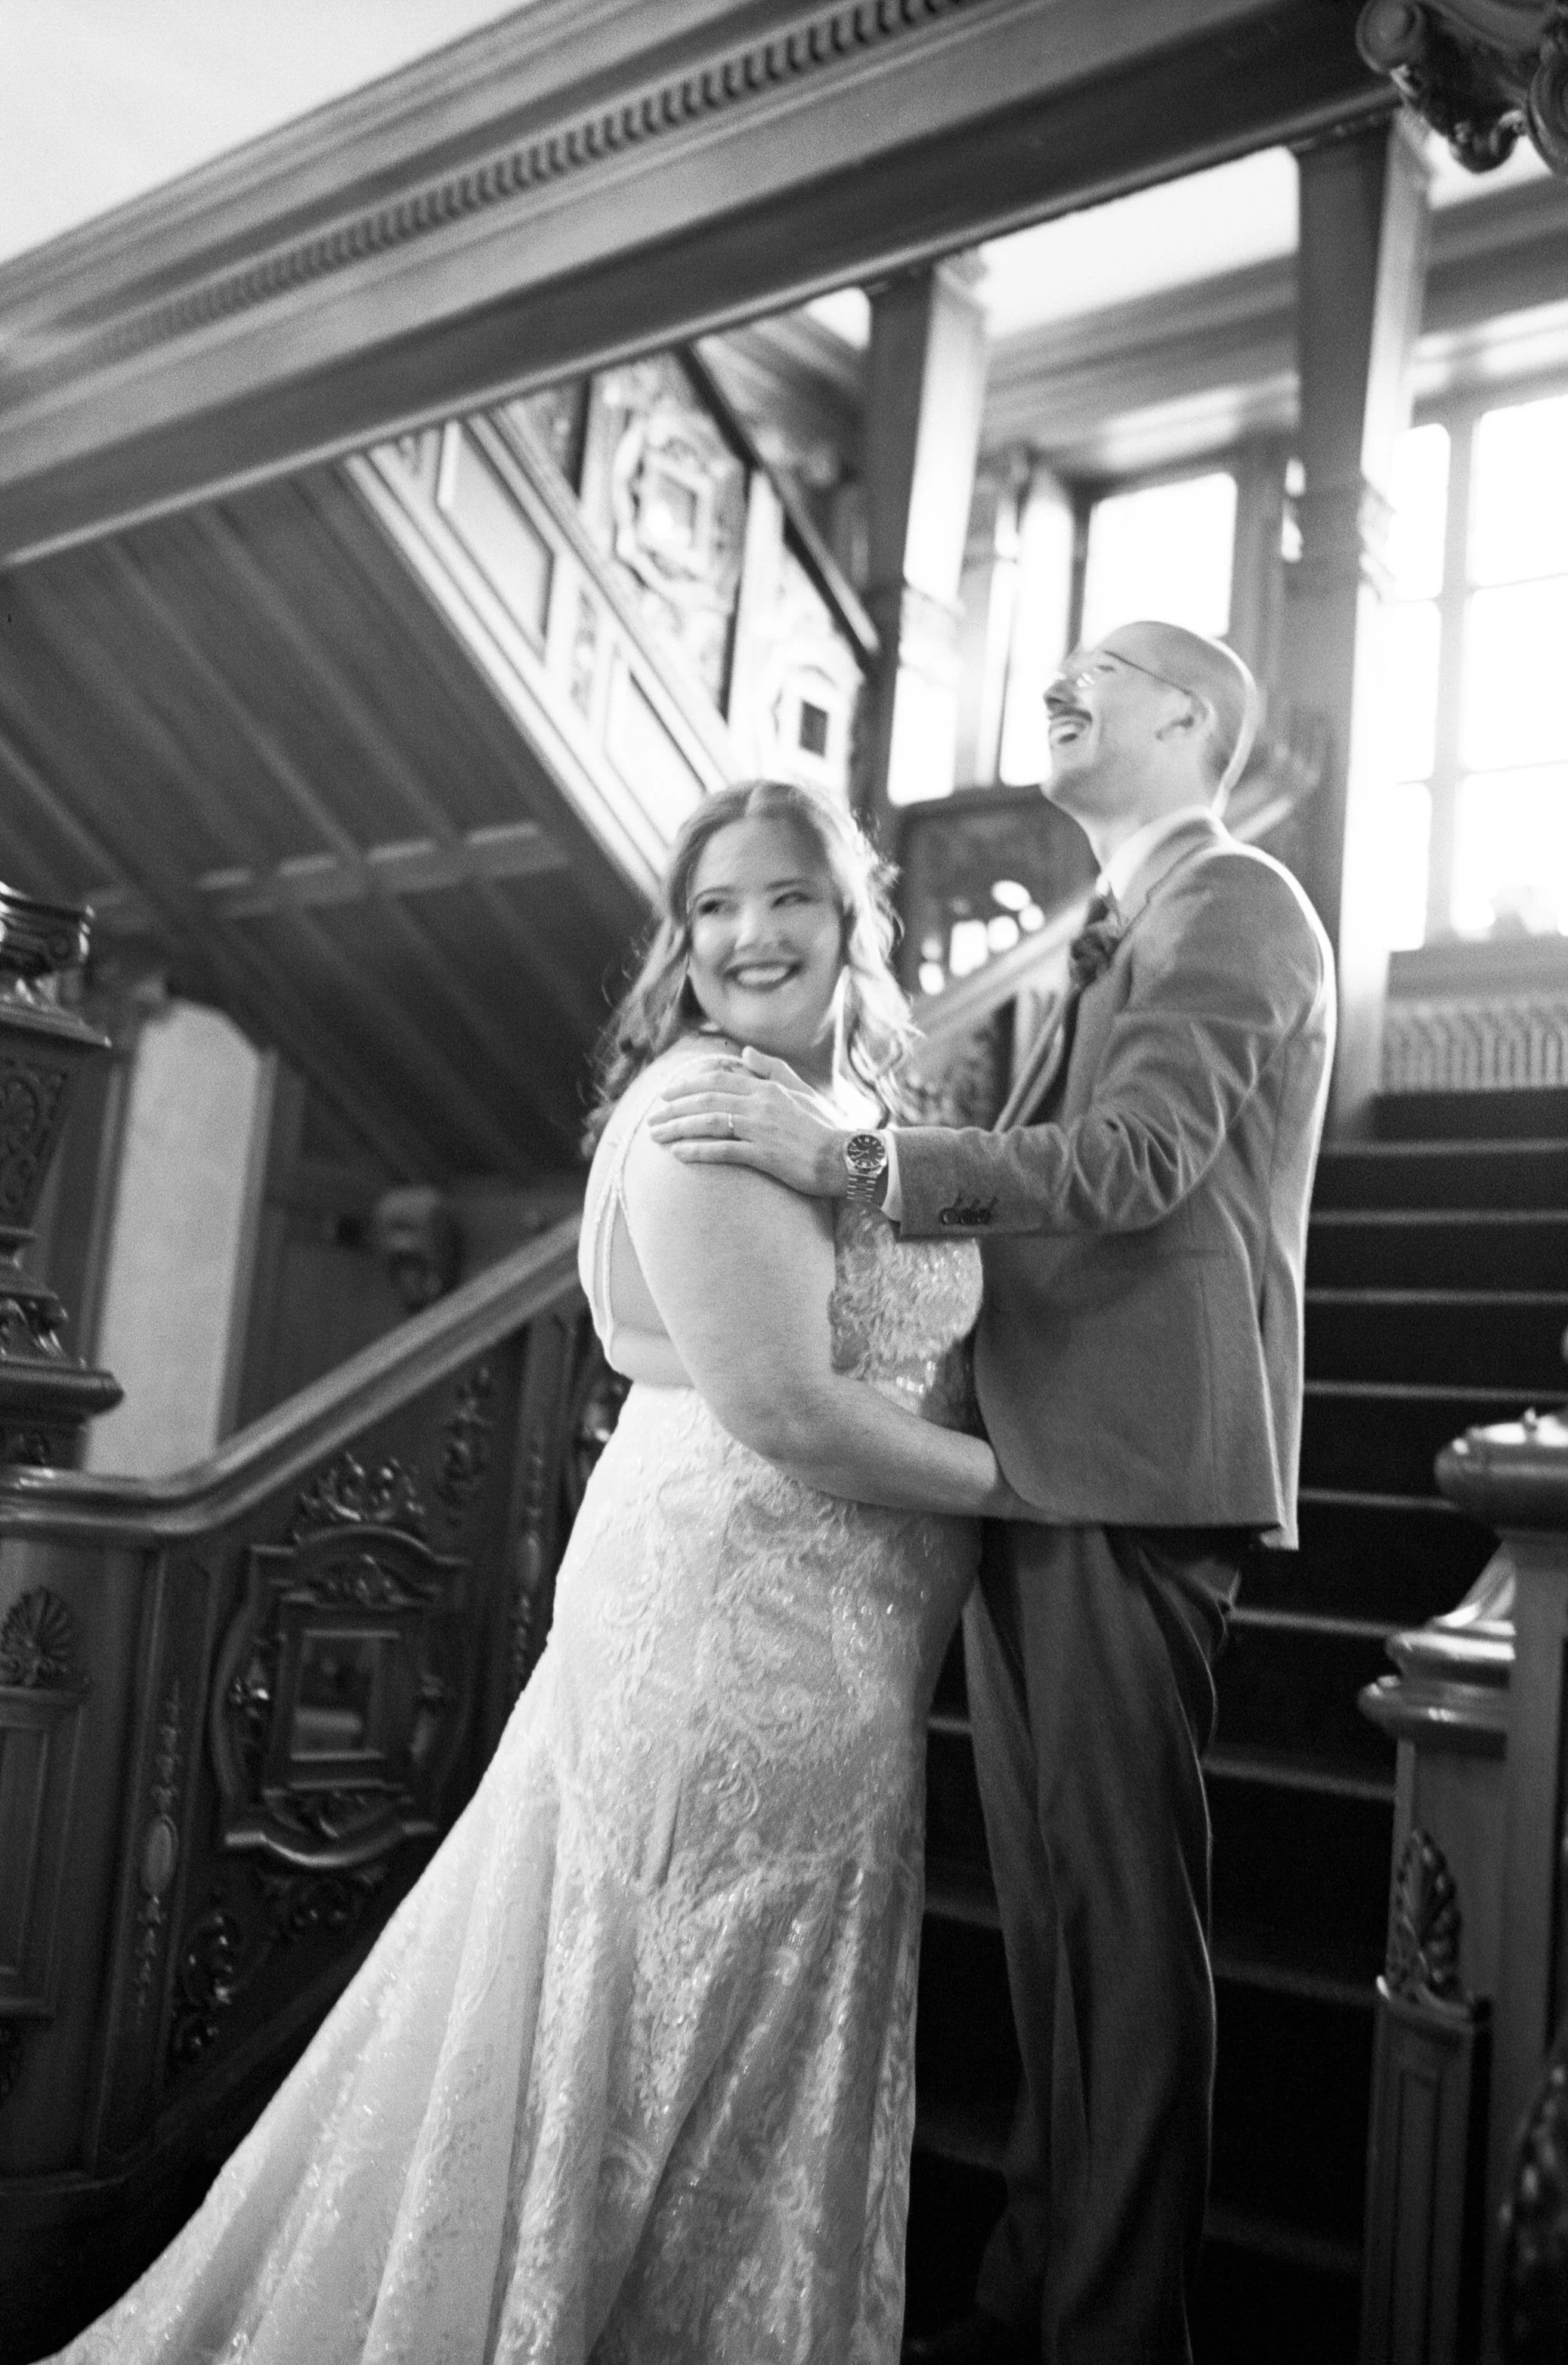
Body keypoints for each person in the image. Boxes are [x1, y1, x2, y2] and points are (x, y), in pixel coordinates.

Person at [45, 777, 1030, 2365]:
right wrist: (1036, 1485)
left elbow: (999, 1199)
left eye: (782, 894)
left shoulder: (862, 1106)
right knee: (647, 2015)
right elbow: (781, 1404)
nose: (746, 932)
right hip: (737, 1626)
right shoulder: (707, 1103)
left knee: (764, 2011)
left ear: (853, 916)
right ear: (680, 939)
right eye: (709, 906)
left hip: (849, 1639)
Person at [648, 623, 1337, 2365]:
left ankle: (1115, 2331)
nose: (1059, 680)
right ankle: (1036, 2285)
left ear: (1190, 719)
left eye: (1103, 666)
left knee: (1112, 1919)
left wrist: (856, 1158)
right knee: (1045, 1908)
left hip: (1131, 1463)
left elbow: (1130, 1166)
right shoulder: (1100, 933)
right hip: (1044, 1468)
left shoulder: (1237, 898)